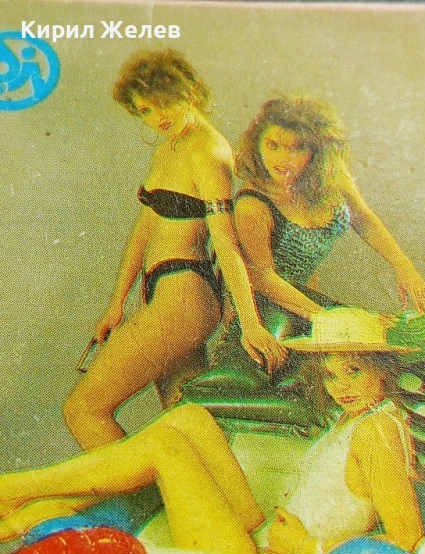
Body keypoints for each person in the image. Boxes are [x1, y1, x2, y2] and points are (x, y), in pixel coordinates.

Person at [0, 307, 425, 554]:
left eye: (354, 370)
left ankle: (15, 491)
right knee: (191, 417)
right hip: (262, 530)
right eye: (330, 375)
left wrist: (310, 547)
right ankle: (34, 502)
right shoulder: (357, 418)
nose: (340, 386)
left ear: (383, 371)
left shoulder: (378, 430)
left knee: (166, 447)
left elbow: (406, 539)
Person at [63, 50, 286, 450]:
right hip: (163, 293)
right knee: (185, 427)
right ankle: (189, 491)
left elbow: (226, 241)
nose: (158, 117)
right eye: (145, 111)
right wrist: (117, 302)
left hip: (184, 296)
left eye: (163, 102)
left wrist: (250, 322)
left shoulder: (209, 152)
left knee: (83, 409)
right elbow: (144, 228)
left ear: (188, 91)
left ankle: (139, 489)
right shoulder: (168, 147)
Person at [232, 95, 425, 338]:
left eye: (297, 148)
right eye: (272, 145)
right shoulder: (252, 205)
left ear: (317, 151)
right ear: (257, 143)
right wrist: (333, 318)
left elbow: (362, 218)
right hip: (266, 309)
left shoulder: (332, 175)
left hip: (311, 299)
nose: (283, 159)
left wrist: (403, 265)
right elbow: (262, 277)